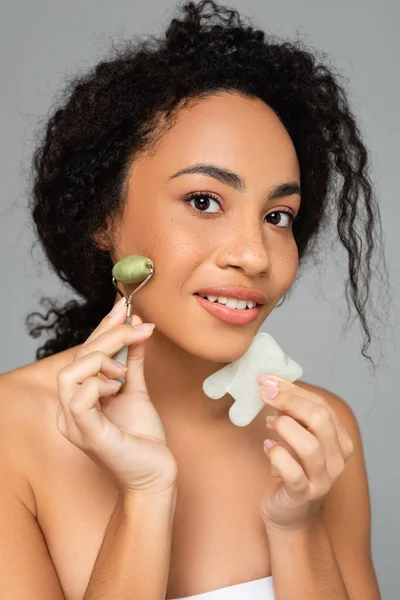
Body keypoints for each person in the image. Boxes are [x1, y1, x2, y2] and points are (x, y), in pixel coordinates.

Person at [0, 0, 389, 598]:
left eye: (278, 215)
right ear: (105, 218)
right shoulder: (11, 433)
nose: (255, 255)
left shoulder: (319, 435)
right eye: (204, 201)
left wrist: (298, 525)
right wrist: (146, 495)